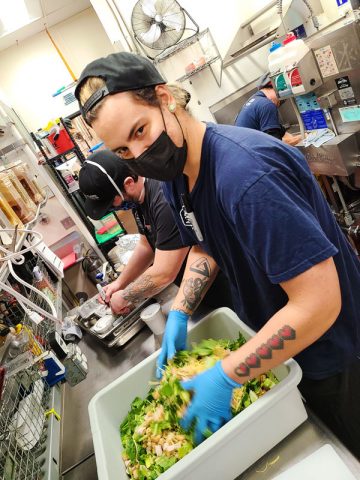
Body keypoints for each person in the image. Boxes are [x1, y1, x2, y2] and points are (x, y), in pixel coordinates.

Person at [75, 52, 360, 456]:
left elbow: (319, 302)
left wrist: (227, 375)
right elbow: (205, 243)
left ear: (165, 98)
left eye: (140, 130)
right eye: (123, 150)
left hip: (334, 353)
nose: (139, 154)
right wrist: (179, 311)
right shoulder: (178, 175)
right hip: (286, 350)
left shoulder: (246, 177)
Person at [78, 149, 233, 314]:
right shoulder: (138, 200)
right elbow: (146, 246)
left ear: (129, 183)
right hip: (197, 292)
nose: (112, 209)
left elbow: (164, 272)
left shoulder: (163, 199)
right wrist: (119, 283)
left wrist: (126, 296)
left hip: (222, 283)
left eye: (111, 203)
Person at [235, 72, 302, 146]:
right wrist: (300, 138)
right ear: (274, 88)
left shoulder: (254, 101)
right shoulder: (267, 105)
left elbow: (278, 131)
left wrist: (294, 138)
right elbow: (274, 145)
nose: (281, 101)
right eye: (282, 94)